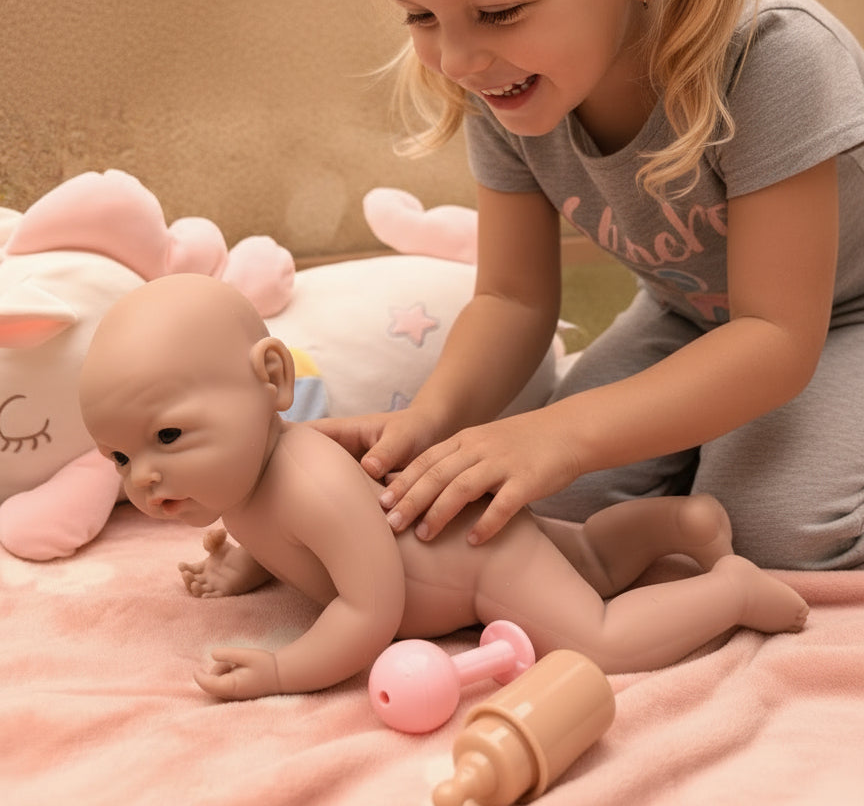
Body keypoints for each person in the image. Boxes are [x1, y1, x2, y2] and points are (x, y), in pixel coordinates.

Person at [314, 0, 864, 571]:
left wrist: (564, 430)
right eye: (420, 15)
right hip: (694, 315)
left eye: (496, 12)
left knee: (781, 528)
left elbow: (774, 336)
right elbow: (512, 300)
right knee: (542, 504)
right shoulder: (505, 79)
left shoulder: (775, 56)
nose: (457, 58)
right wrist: (427, 425)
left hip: (835, 318)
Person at [79, 273, 806, 700]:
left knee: (598, 637)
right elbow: (270, 539)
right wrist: (236, 567)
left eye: (167, 437)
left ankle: (730, 589)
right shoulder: (238, 483)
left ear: (271, 379)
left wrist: (282, 668)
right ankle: (679, 525)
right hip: (472, 533)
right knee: (585, 559)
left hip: (481, 561)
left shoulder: (308, 482)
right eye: (118, 457)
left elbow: (372, 607)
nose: (143, 479)